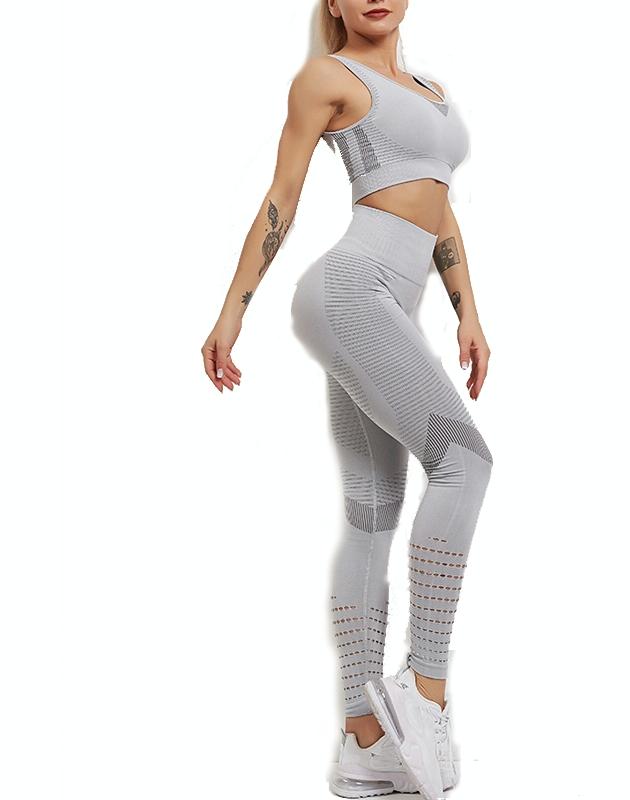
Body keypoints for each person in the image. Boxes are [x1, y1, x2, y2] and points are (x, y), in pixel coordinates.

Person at [200, 3, 493, 798]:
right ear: (332, 3)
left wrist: (467, 311)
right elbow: (282, 195)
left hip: (392, 303)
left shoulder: (430, 91)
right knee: (464, 462)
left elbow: (438, 205)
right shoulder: (327, 77)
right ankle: (424, 690)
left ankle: (363, 743)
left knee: (373, 510)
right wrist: (232, 312)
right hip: (351, 290)